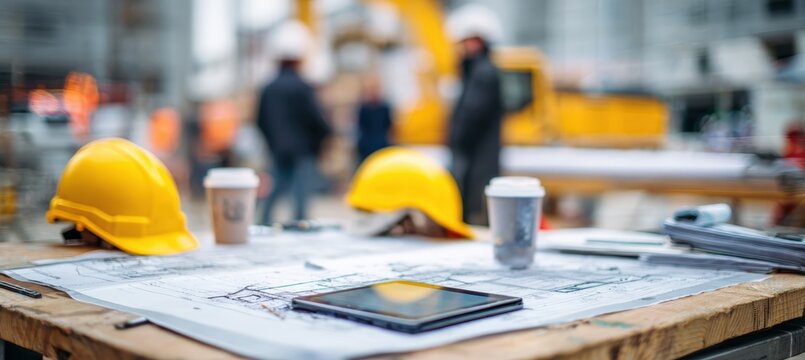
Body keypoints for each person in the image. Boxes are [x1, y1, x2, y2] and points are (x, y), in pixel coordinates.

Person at [256, 21, 331, 224]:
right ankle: (299, 229)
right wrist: (323, 138)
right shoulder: (302, 87)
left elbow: (260, 121)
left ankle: (261, 226)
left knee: (274, 192)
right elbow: (316, 119)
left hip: (278, 150)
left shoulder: (268, 88)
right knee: (300, 200)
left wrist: (273, 143)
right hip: (302, 151)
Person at [445, 5, 504, 225]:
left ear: (478, 40)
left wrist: (456, 140)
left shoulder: (483, 73)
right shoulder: (476, 71)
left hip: (476, 160)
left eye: (465, 41)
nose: (462, 47)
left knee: (472, 213)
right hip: (474, 158)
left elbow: (471, 115)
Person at [356, 76, 393, 163]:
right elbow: (362, 127)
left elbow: (388, 125)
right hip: (368, 146)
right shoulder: (364, 108)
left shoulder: (384, 107)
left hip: (382, 144)